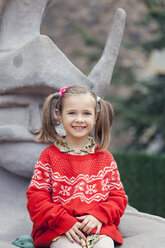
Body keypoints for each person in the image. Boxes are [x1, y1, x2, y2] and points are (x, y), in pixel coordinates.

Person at [26, 84, 128, 248]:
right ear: (59, 115)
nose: (79, 119)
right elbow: (36, 199)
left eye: (86, 113)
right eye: (72, 113)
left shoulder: (105, 158)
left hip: (97, 227)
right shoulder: (49, 156)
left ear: (96, 117)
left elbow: (118, 198)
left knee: (105, 246)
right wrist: (63, 221)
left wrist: (99, 216)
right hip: (59, 228)